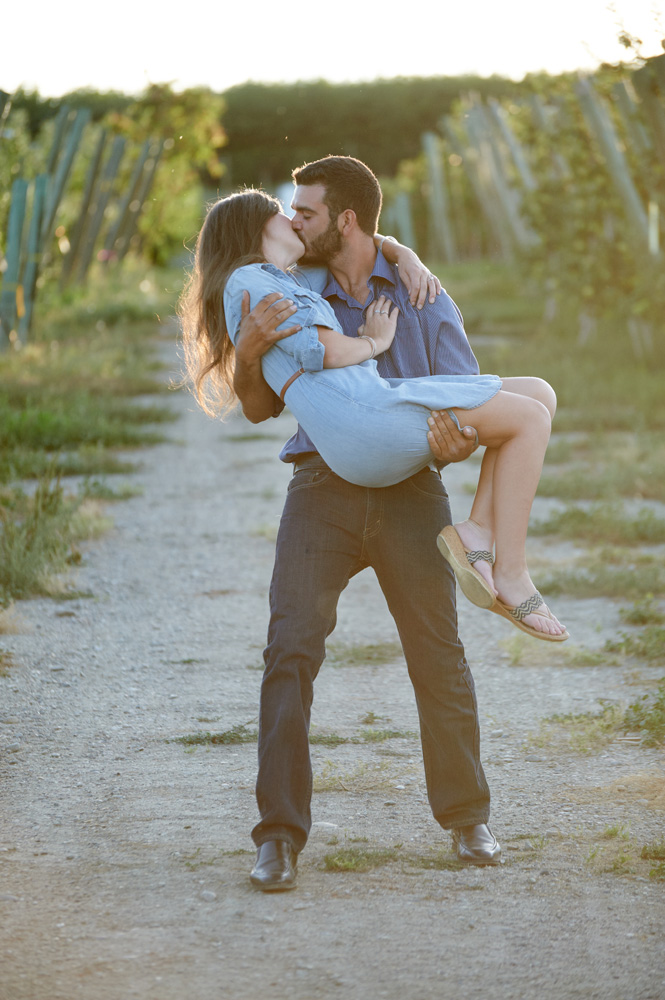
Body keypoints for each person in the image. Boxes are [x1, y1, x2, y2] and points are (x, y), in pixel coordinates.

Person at [179, 156, 555, 891]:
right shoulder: (298, 283)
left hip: (411, 487)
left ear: (344, 221)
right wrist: (250, 350)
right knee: (289, 648)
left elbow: (465, 406)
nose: (292, 220)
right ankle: (278, 836)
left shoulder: (422, 298)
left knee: (436, 651)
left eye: (306, 213)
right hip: (320, 482)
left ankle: (466, 817)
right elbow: (259, 407)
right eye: (288, 213)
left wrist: (457, 441)